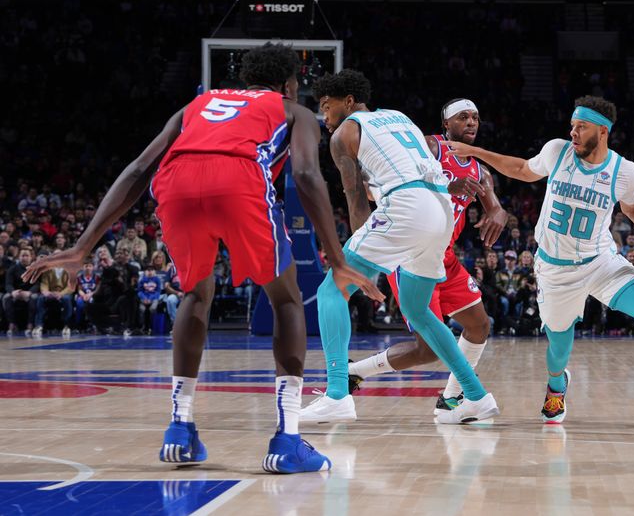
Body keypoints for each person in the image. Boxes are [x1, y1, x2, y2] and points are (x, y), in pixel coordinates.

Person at [23, 44, 382, 474]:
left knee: (196, 293)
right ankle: (287, 440)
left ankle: (180, 427)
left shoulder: (199, 103)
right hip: (239, 180)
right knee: (286, 299)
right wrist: (337, 256)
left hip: (175, 183)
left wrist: (84, 245)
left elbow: (139, 168)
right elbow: (305, 173)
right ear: (290, 84)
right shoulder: (294, 110)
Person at [447, 95, 634, 430]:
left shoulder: (624, 171)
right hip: (555, 271)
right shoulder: (557, 151)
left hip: (600, 260)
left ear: (602, 132)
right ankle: (556, 387)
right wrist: (475, 151)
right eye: (572, 125)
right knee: (558, 352)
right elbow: (520, 169)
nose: (573, 132)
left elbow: (633, 208)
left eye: (581, 126)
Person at [302, 70, 499, 425]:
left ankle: (336, 395)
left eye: (326, 107)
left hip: (406, 207)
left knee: (332, 287)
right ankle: (475, 397)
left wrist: (364, 265)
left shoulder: (345, 133)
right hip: (441, 211)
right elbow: (433, 171)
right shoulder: (400, 118)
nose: (324, 116)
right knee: (417, 309)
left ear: (348, 102)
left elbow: (356, 199)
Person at [346, 98, 507, 416]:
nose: (472, 122)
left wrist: (499, 214)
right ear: (446, 124)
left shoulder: (480, 170)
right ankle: (355, 372)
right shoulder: (428, 147)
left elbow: (495, 207)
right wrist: (444, 185)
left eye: (475, 117)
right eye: (463, 117)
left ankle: (451, 398)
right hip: (410, 252)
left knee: (479, 326)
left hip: (444, 256)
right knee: (428, 348)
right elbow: (370, 188)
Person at [33, 249, 74, 338]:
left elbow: (71, 286)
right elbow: (44, 283)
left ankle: (67, 326)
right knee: (40, 298)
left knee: (67, 299)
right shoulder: (48, 268)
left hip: (63, 293)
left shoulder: (69, 267)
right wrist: (46, 292)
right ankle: (39, 325)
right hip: (51, 293)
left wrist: (61, 294)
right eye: (55, 255)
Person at [4, 248, 39, 336]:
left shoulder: (35, 269)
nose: (24, 258)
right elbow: (8, 284)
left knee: (34, 297)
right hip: (16, 293)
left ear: (31, 257)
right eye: (22, 255)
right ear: (19, 257)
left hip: (29, 293)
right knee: (6, 297)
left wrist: (29, 292)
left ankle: (30, 325)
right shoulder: (12, 269)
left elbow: (37, 284)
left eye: (26, 255)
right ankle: (12, 324)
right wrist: (13, 292)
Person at [137, 264, 163, 334]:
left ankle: (152, 327)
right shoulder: (142, 280)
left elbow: (158, 292)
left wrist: (151, 299)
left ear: (154, 271)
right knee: (142, 309)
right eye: (148, 270)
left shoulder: (157, 280)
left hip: (154, 298)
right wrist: (144, 298)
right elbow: (139, 291)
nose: (150, 272)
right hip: (144, 298)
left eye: (151, 270)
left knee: (153, 309)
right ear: (145, 272)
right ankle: (142, 327)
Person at [74, 257, 98, 331]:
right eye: (86, 266)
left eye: (90, 266)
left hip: (93, 295)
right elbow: (79, 289)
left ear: (93, 267)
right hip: (82, 295)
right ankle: (79, 325)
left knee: (93, 303)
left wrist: (91, 294)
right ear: (83, 267)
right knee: (79, 303)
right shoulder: (80, 278)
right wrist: (83, 295)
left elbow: (97, 289)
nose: (88, 268)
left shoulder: (96, 278)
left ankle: (93, 324)